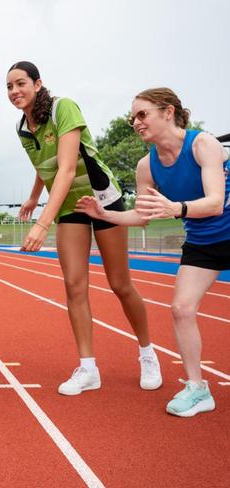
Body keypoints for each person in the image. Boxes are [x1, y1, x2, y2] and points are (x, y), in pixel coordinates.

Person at [5, 61, 162, 395]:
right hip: (68, 206)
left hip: (102, 200)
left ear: (37, 84)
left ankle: (148, 353)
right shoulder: (22, 128)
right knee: (74, 285)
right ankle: (88, 368)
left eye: (21, 83)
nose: (15, 91)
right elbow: (43, 165)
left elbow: (64, 168)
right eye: (9, 87)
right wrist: (34, 198)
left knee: (120, 284)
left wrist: (42, 224)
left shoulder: (64, 108)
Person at [76, 87, 230, 417]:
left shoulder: (203, 144)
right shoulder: (147, 166)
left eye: (142, 114)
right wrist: (106, 215)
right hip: (203, 242)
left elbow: (216, 202)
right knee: (181, 308)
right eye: (132, 118)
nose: (136, 122)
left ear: (168, 111)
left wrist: (175, 208)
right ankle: (197, 389)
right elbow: (143, 217)